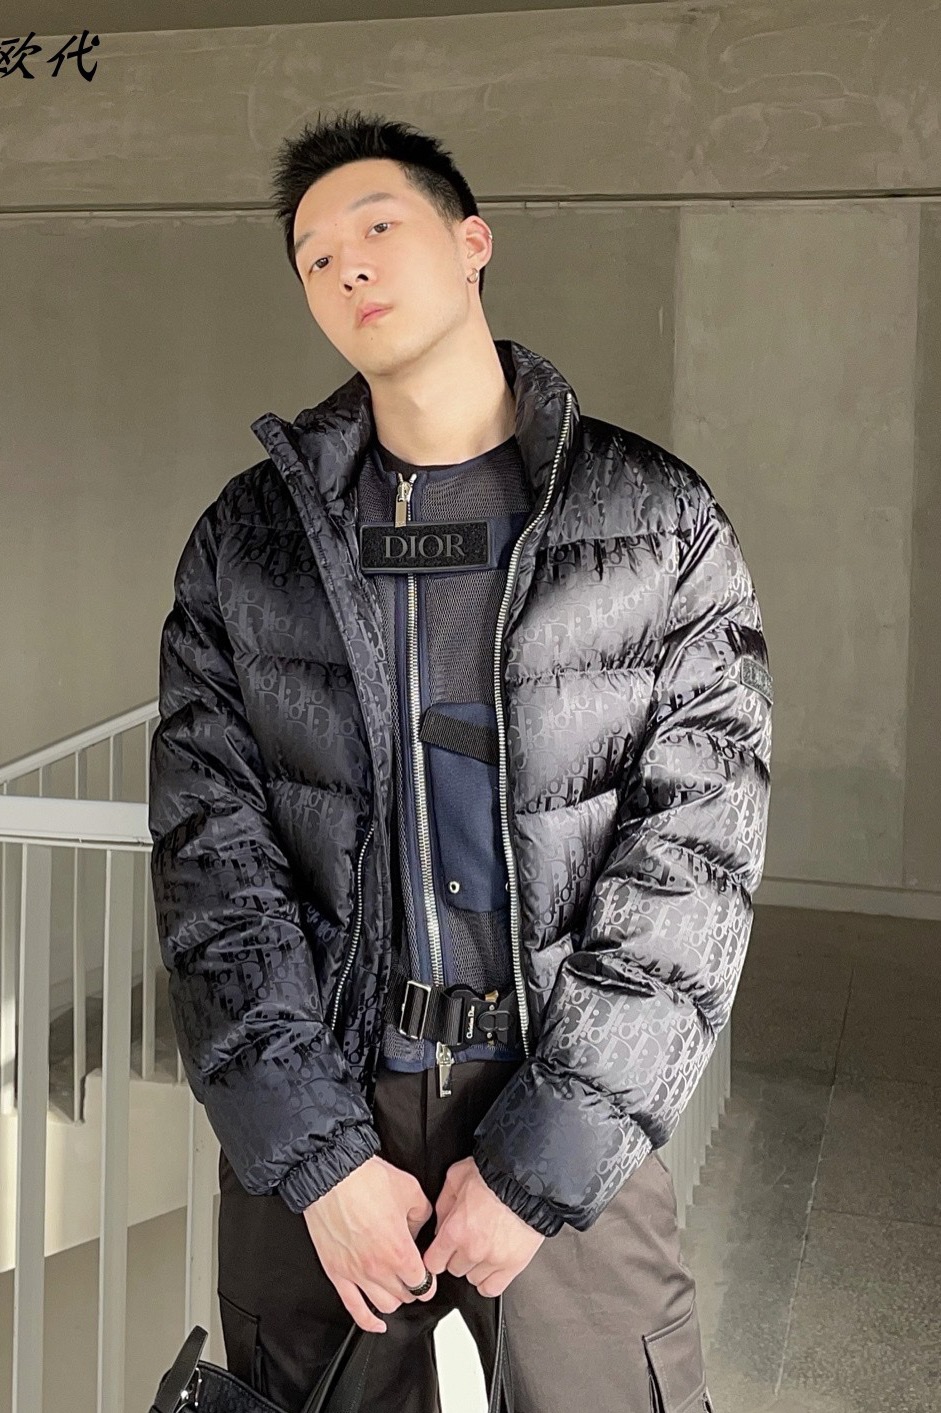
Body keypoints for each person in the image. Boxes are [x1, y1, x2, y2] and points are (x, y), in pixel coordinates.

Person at [148, 108, 772, 1413]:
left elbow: (693, 861)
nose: (349, 269)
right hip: (332, 1108)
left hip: (557, 1088)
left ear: (472, 243)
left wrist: (547, 1159)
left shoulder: (650, 519)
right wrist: (314, 1154)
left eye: (377, 227)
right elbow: (213, 868)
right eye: (316, 258)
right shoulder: (249, 544)